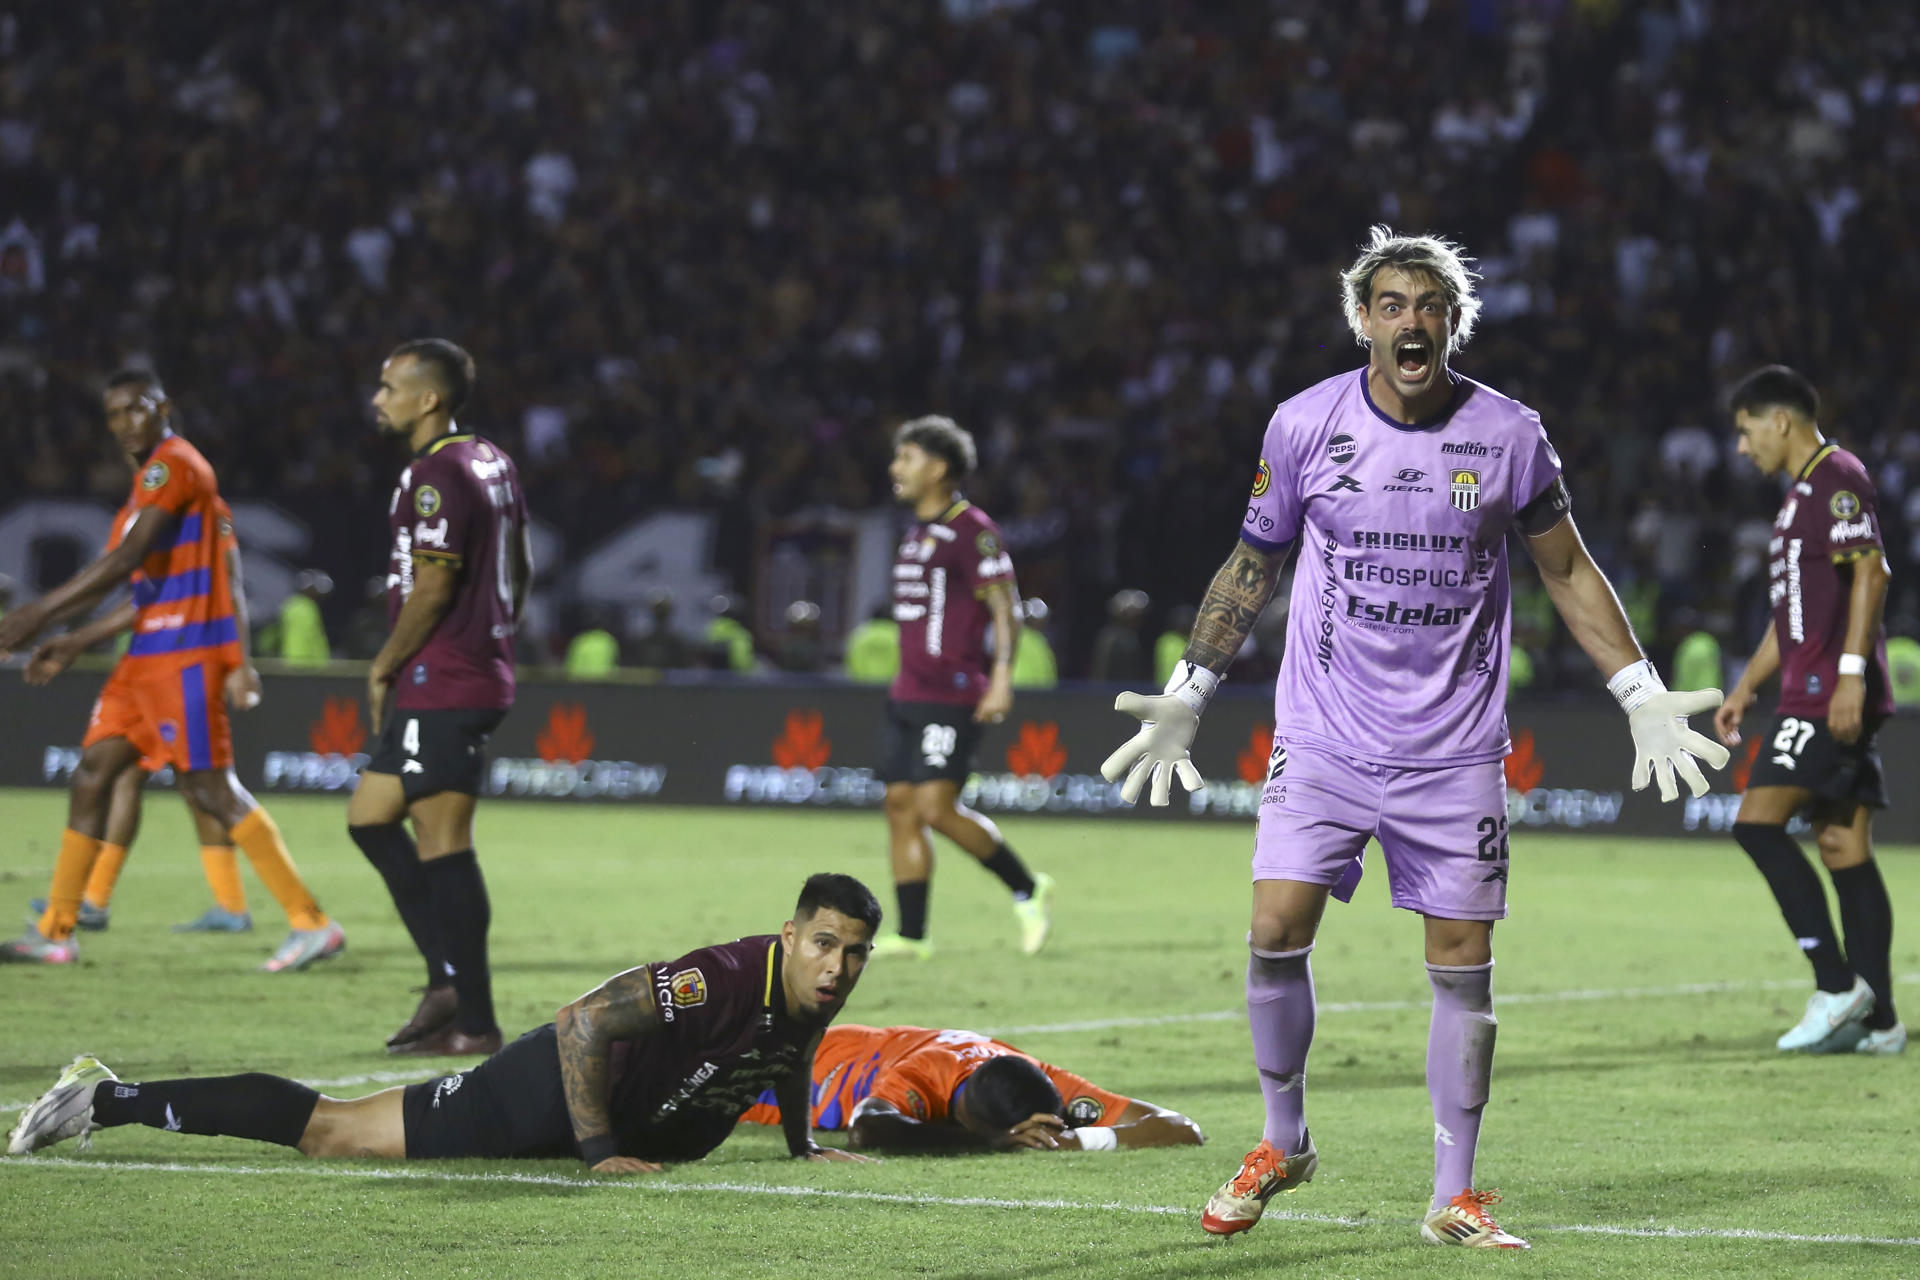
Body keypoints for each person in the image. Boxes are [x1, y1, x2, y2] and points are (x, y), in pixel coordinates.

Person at [1098, 227, 1729, 1250]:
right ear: (1363, 321)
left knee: (1462, 959)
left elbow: (1567, 569)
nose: (1411, 321)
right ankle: (1282, 1139)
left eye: (1429, 305)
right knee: (1273, 927)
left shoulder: (1510, 433)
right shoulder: (1305, 425)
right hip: (1326, 731)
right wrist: (1190, 683)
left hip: (1454, 745)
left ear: (1453, 322)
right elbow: (1252, 563)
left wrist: (1639, 689)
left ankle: (1454, 1191)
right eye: (1391, 303)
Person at [9, 874, 881, 1172]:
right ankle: (108, 1099)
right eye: (823, 946)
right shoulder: (718, 978)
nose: (836, 968)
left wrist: (802, 1145)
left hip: (603, 1120)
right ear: (789, 935)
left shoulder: (808, 994)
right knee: (335, 1133)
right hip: (543, 1095)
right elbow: (580, 1023)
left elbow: (792, 1048)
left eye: (852, 954)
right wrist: (595, 1149)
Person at [0, 370, 344, 970]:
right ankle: (57, 929)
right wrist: (76, 638)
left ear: (164, 407)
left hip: (186, 654)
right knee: (93, 771)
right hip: (145, 658)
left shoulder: (175, 465)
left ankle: (311, 922)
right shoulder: (144, 493)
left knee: (207, 787)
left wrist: (38, 612)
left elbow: (128, 560)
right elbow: (143, 590)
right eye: (113, 414)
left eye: (136, 408)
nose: (124, 423)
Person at [1713, 366, 1903, 1055]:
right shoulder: (1799, 499)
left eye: (1745, 431)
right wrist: (1745, 687)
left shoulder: (1837, 475)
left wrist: (1850, 675)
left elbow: (1872, 573)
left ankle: (1836, 984)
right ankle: (1879, 1022)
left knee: (1757, 824)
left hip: (1829, 694)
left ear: (1780, 421)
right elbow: (1788, 612)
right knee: (1842, 845)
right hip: (1807, 688)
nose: (1741, 447)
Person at [350, 338, 532, 1057]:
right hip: (461, 669)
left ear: (430, 399)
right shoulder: (492, 461)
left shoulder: (437, 471)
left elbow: (432, 583)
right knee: (370, 817)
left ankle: (477, 1021)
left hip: (447, 678)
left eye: (390, 386)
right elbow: (524, 562)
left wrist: (383, 664)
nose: (379, 398)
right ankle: (445, 982)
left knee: (444, 846)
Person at [25, 501, 275, 934]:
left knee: (188, 784)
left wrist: (239, 663)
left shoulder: (191, 510)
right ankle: (228, 905)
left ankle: (95, 900)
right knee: (175, 782)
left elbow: (221, 583)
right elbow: (144, 596)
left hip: (182, 663)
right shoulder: (146, 511)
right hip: (152, 663)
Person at [874, 415, 1053, 960]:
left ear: (939, 467)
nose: (895, 468)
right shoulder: (917, 532)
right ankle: (912, 935)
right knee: (901, 805)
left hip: (952, 691)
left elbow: (1005, 607)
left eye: (906, 458)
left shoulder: (971, 528)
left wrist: (1000, 678)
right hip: (909, 690)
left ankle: (1027, 887)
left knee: (935, 807)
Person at [741, 1023, 1203, 1153]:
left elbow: (1182, 1128)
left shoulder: (1034, 1076)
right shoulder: (926, 1075)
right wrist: (992, 1142)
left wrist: (1080, 1139)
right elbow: (867, 1130)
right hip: (780, 1069)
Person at [844, 603, 901, 685]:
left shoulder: (859, 635)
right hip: (890, 689)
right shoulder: (899, 636)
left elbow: (850, 661)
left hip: (861, 689)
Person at [1009, 597, 1058, 690]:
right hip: (1018, 690)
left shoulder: (1041, 642)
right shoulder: (1015, 636)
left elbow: (1048, 673)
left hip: (1033, 692)